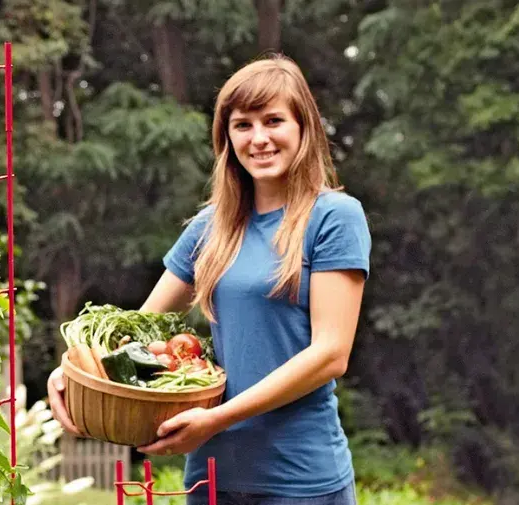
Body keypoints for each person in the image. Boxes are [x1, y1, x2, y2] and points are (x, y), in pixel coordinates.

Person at [46, 53, 371, 505]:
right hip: (211, 478)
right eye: (243, 125)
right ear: (227, 137)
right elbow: (135, 332)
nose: (259, 138)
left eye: (273, 120)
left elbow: (330, 355)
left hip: (301, 478)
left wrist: (216, 419)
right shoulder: (211, 228)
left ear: (304, 128)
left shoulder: (334, 218)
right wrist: (72, 374)